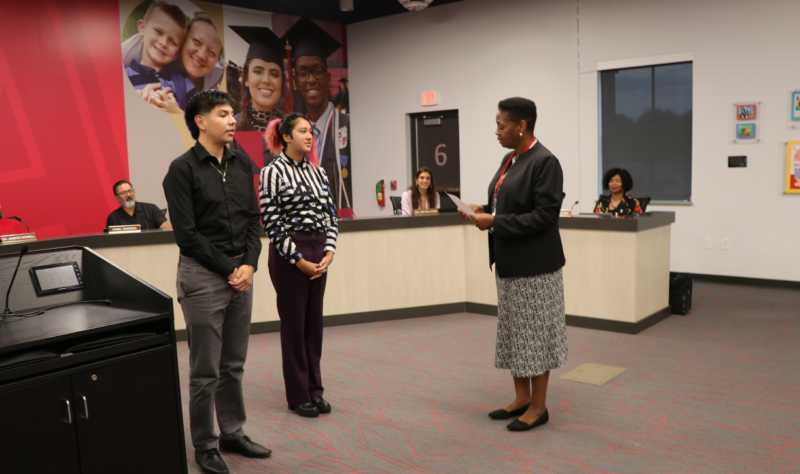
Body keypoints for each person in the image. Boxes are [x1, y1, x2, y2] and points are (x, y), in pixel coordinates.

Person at [162, 90, 270, 474]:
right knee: (205, 369)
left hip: (243, 274)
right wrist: (231, 269)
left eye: (232, 114)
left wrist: (251, 266)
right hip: (204, 276)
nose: (232, 121)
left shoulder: (243, 162)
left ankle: (232, 431)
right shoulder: (182, 169)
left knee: (233, 363)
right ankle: (205, 445)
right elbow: (187, 236)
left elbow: (254, 220)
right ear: (200, 122)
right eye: (223, 114)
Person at [460, 97, 568, 432]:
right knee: (515, 334)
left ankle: (539, 407)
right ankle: (521, 398)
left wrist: (495, 222)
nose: (497, 131)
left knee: (535, 337)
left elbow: (544, 217)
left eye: (501, 125)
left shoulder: (545, 161)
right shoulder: (511, 159)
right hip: (509, 263)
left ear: (521, 126)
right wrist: (481, 208)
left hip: (536, 267)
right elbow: (503, 201)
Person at [260, 113, 338, 419]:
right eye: (302, 131)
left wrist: (329, 251)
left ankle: (315, 390)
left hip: (319, 248)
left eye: (311, 132)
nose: (309, 136)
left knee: (313, 325)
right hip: (289, 251)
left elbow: (331, 216)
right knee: (294, 325)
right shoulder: (272, 172)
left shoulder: (318, 174)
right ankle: (297, 394)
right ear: (286, 136)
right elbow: (271, 222)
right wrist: (299, 260)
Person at [284, 18, 353, 214]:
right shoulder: (290, 137)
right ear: (295, 81)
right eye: (304, 73)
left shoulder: (348, 127)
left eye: (317, 71)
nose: (311, 79)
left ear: (328, 77)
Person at [123, 1, 195, 112]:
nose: (164, 43)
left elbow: (199, 121)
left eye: (172, 41)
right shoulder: (124, 76)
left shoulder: (183, 82)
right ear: (142, 28)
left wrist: (176, 112)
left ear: (177, 54)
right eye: (158, 32)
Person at [227, 26, 286, 132]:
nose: (266, 80)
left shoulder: (292, 127)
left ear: (282, 82)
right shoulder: (233, 128)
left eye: (274, 74)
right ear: (246, 79)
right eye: (258, 71)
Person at [106, 180, 171, 230]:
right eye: (123, 192)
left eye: (130, 191)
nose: (128, 195)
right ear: (117, 198)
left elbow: (167, 230)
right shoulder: (113, 218)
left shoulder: (151, 209)